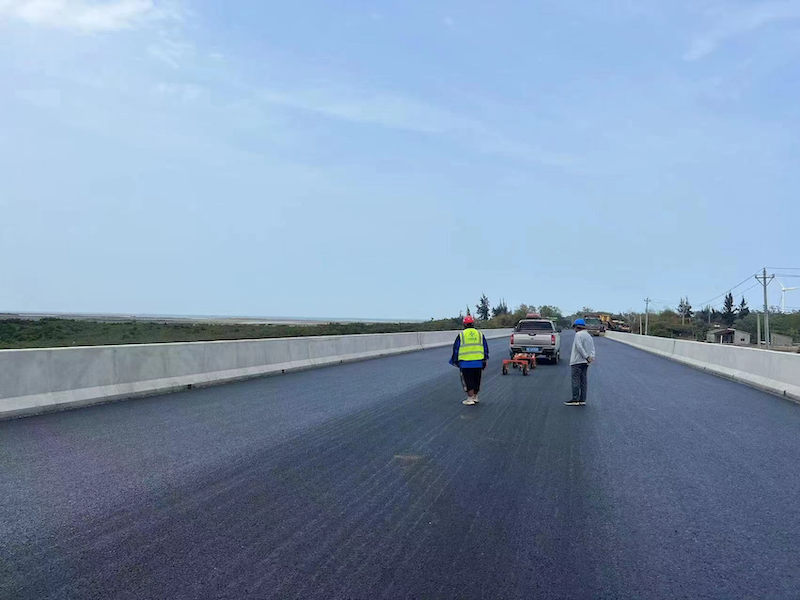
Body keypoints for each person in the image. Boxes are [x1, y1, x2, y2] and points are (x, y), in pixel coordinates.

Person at [449, 315, 489, 405]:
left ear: (464, 324)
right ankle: (475, 396)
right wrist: (485, 359)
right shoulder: (479, 334)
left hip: (465, 362)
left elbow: (456, 349)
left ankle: (470, 398)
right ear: (473, 324)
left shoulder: (461, 335)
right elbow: (485, 348)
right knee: (476, 379)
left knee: (468, 380)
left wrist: (455, 360)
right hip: (478, 361)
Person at [566, 318, 595, 406]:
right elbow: (592, 348)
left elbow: (579, 347)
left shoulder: (578, 335)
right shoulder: (589, 336)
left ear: (576, 327)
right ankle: (582, 399)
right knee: (583, 381)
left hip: (577, 361)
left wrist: (585, 356)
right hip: (585, 362)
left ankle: (575, 399)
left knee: (575, 380)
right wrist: (590, 357)